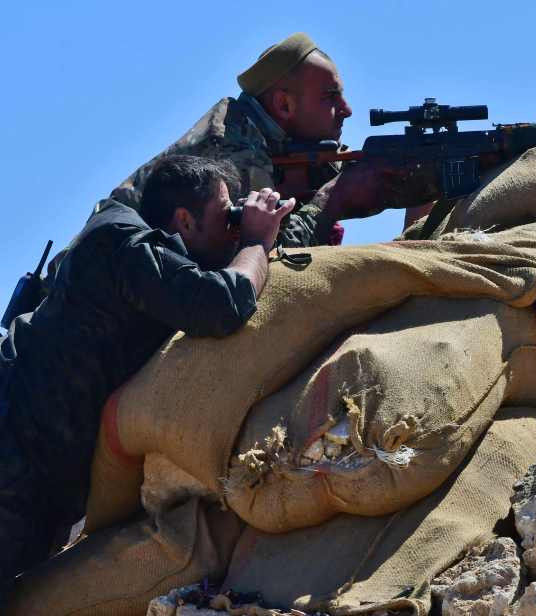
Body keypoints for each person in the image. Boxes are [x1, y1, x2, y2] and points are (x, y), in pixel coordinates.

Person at [0, 155, 294, 585]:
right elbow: (222, 303)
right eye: (223, 215)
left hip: (34, 473)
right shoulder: (122, 245)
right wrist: (255, 240)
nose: (230, 229)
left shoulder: (146, 258)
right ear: (184, 221)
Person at [98, 32, 424, 249]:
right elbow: (261, 261)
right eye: (330, 97)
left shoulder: (278, 142)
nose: (347, 110)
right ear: (284, 104)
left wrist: (421, 177)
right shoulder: (232, 156)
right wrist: (333, 200)